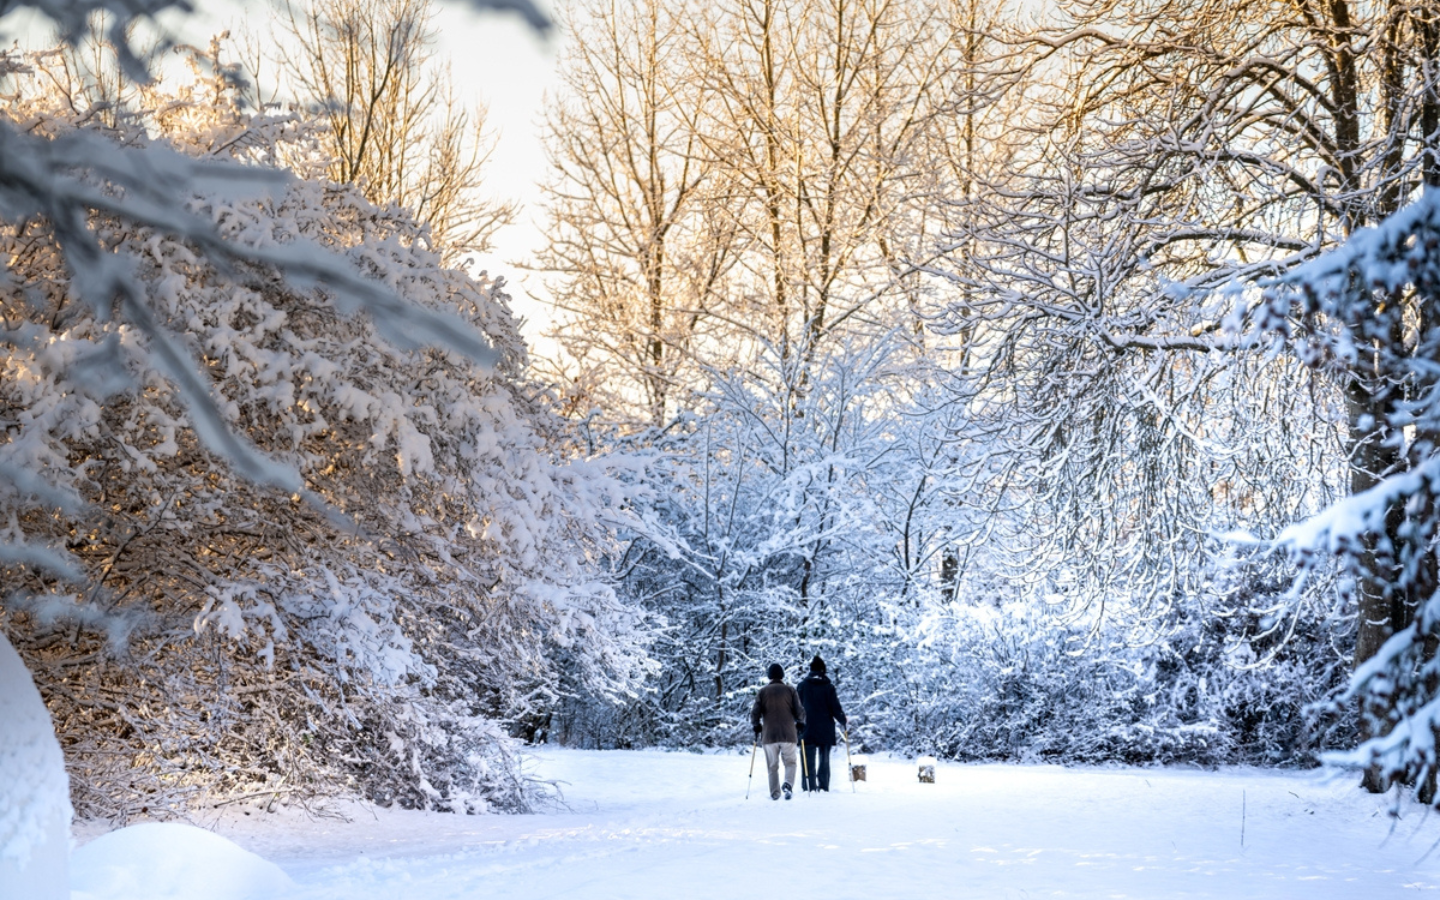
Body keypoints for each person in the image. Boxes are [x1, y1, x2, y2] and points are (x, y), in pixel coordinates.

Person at [750, 662, 806, 800]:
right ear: (782, 675)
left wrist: (756, 725)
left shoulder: (762, 692)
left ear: (769, 676)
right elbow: (799, 710)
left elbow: (755, 712)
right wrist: (800, 723)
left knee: (772, 766)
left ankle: (775, 793)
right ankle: (788, 783)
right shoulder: (790, 690)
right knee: (790, 762)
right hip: (788, 734)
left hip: (769, 735)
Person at [796, 654, 848, 792]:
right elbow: (835, 707)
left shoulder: (802, 686)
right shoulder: (828, 687)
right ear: (823, 670)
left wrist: (796, 722)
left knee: (807, 759)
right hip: (825, 727)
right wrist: (843, 720)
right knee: (824, 759)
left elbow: (796, 707)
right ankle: (823, 785)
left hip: (806, 727)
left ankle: (809, 785)